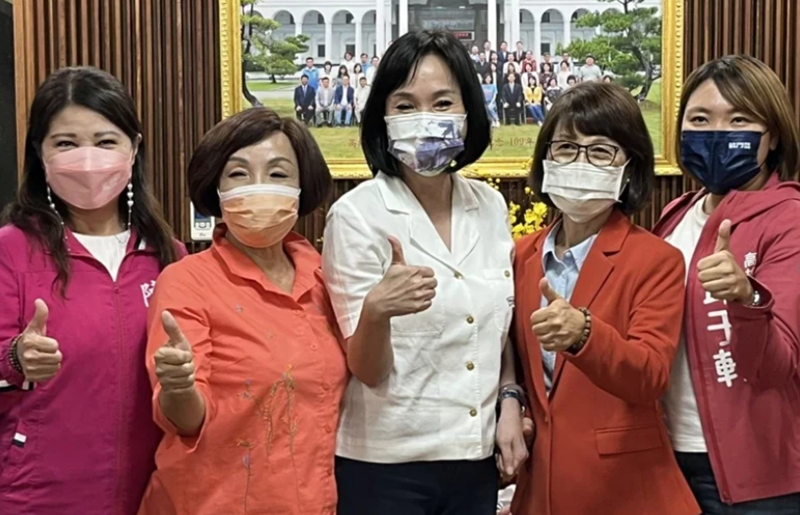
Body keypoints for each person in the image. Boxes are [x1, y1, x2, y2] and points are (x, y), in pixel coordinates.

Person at [323, 30, 530, 515]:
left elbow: (495, 329)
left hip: (475, 457)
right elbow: (368, 371)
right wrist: (377, 311)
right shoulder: (357, 215)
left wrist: (510, 399)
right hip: (386, 467)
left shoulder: (490, 206)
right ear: (382, 117)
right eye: (405, 105)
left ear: (468, 112)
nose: (425, 119)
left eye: (442, 103)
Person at [137, 107, 347, 515]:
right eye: (238, 173)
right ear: (215, 188)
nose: (259, 187)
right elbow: (186, 420)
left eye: (278, 173)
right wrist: (179, 387)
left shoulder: (328, 277)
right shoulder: (187, 281)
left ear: (302, 185)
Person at [0, 66, 184, 515]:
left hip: (151, 492)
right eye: (66, 143)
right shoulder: (11, 248)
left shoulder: (169, 255)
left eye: (105, 142)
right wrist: (15, 359)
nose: (87, 160)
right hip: (37, 494)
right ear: (39, 152)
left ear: (134, 148)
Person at [510, 81, 699, 515]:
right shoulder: (521, 256)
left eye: (600, 151)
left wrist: (585, 334)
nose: (580, 162)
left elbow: (650, 376)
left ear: (629, 167)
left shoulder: (656, 260)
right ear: (545, 159)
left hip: (627, 491)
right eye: (566, 148)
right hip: (542, 489)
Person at [654, 55, 800, 514]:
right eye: (700, 119)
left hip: (758, 479)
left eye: (738, 120)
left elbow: (778, 365)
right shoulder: (676, 216)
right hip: (667, 459)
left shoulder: (790, 220)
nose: (717, 133)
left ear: (773, 135)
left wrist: (746, 297)